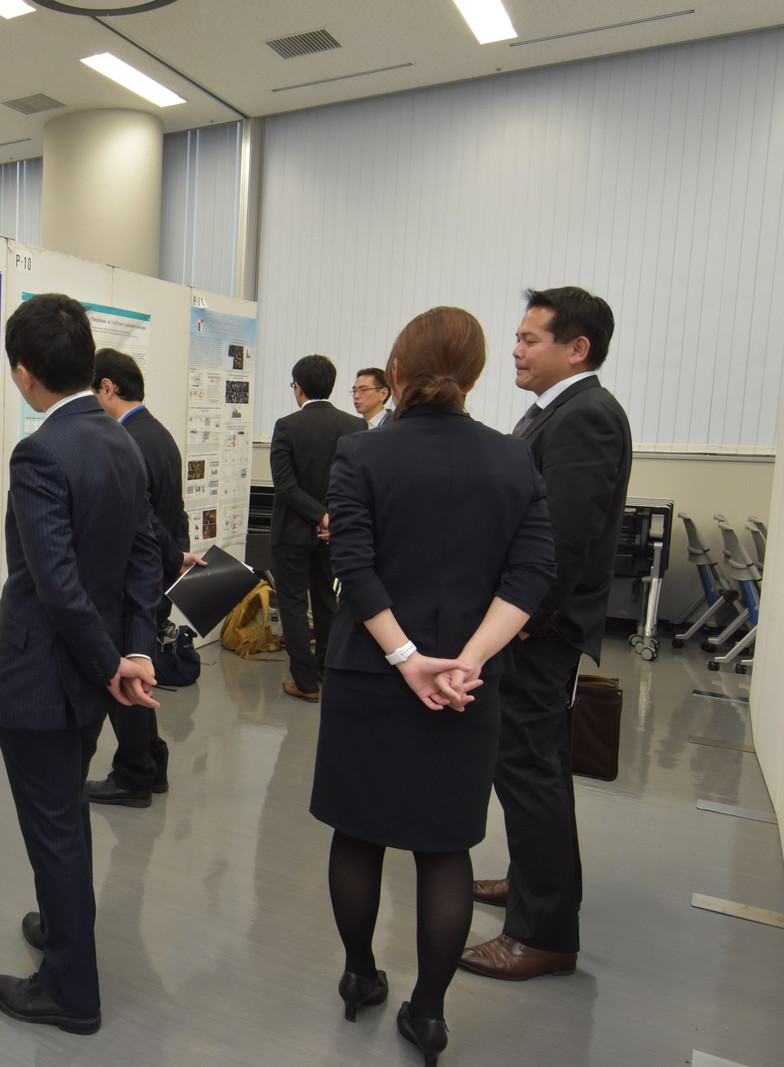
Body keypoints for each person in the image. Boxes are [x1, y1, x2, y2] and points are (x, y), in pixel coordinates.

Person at [310, 306, 556, 1066]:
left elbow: (353, 563)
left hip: (370, 673)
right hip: (465, 688)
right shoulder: (513, 458)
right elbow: (532, 573)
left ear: (398, 372)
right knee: (445, 847)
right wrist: (467, 660)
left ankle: (360, 975)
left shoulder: (362, 453)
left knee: (358, 833)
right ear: (475, 375)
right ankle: (431, 1013)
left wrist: (406, 654)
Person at [0, 294, 162, 1036]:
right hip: (91, 678)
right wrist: (132, 652)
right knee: (66, 816)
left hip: (42, 679)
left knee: (53, 827)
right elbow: (146, 557)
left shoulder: (41, 451)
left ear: (25, 374)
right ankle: (64, 930)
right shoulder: (121, 439)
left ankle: (69, 990)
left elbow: (56, 584)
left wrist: (110, 661)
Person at [461, 287, 632, 981]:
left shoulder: (586, 417)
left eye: (530, 339)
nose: (515, 350)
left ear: (577, 348)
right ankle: (534, 882)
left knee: (529, 769)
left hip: (543, 630)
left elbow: (563, 538)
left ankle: (542, 933)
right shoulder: (556, 411)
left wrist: (523, 622)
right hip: (537, 624)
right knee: (534, 767)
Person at [84, 347, 204, 808]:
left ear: (107, 388)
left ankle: (135, 775)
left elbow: (144, 517)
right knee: (138, 672)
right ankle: (151, 764)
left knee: (125, 679)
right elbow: (172, 511)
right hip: (155, 579)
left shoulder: (126, 441)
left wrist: (172, 556)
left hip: (134, 582)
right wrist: (176, 558)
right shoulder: (158, 433)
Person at [269, 354, 366, 702]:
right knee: (327, 599)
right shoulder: (356, 426)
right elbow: (357, 484)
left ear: (298, 387)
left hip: (292, 533)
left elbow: (285, 485)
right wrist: (331, 518)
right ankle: (327, 668)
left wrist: (319, 516)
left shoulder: (286, 425)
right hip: (334, 533)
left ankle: (305, 682)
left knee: (294, 605)